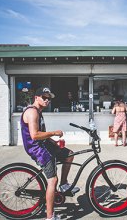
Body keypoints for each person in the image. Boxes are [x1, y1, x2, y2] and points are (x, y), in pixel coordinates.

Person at [20, 87, 79, 220]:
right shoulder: (32, 112)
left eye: (49, 98)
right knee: (52, 179)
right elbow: (35, 135)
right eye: (44, 97)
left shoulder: (38, 112)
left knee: (69, 154)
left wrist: (54, 142)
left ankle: (64, 185)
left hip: (44, 144)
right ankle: (50, 217)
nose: (47, 100)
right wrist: (53, 133)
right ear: (36, 97)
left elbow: (42, 135)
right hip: (37, 149)